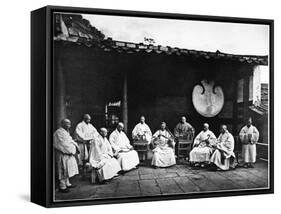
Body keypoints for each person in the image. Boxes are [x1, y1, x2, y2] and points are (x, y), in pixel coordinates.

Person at [53, 119, 79, 193]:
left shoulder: (66, 132)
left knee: (67, 169)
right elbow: (63, 144)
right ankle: (62, 186)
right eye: (67, 123)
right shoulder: (59, 132)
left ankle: (67, 183)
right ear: (62, 124)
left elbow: (71, 141)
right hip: (62, 153)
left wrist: (73, 145)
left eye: (69, 123)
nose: (69, 125)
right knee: (62, 169)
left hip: (67, 153)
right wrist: (72, 149)